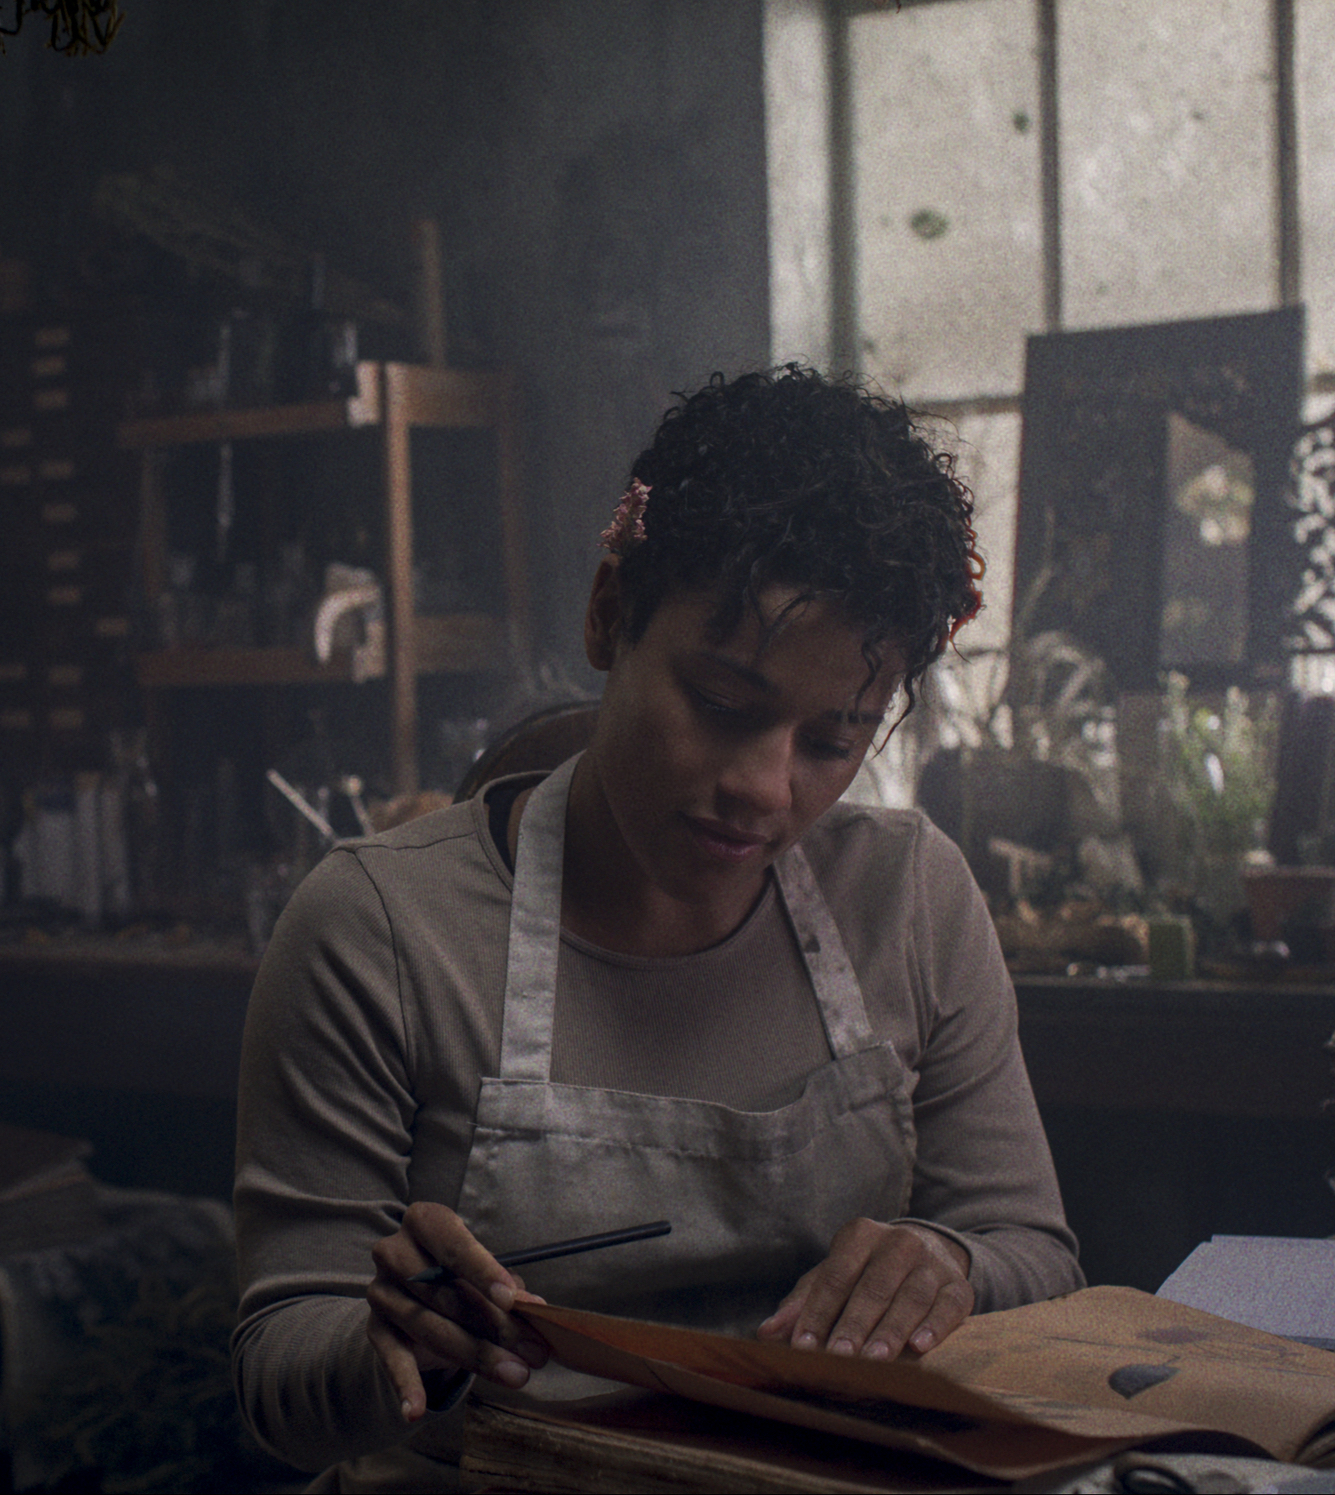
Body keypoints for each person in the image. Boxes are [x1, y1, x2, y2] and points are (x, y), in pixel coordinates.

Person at [229, 366, 1085, 1489]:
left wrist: (947, 1260)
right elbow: (275, 1379)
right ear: (605, 612)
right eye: (723, 706)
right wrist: (392, 1347)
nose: (763, 789)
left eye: (832, 739)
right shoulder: (378, 930)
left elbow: (1039, 1258)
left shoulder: (910, 902)